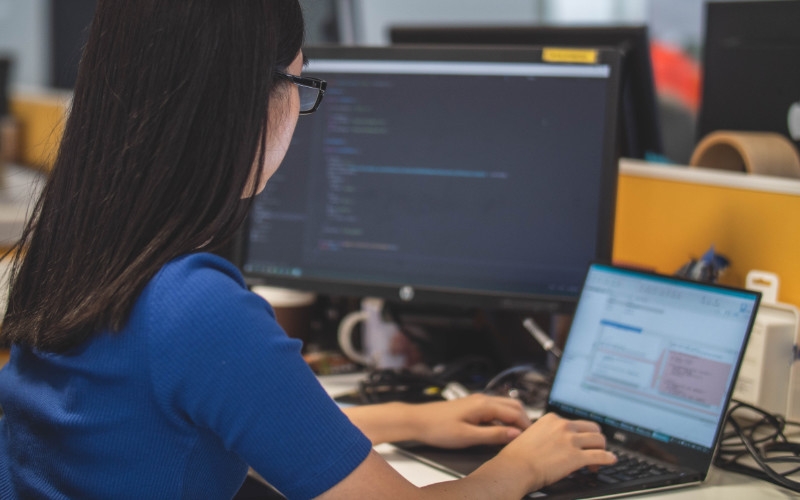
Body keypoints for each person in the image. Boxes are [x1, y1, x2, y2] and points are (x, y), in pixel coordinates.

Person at [0, 1, 616, 498]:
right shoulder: (197, 309)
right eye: (301, 83)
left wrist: (412, 420)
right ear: (246, 99)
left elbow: (222, 420)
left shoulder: (77, 254)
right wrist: (526, 465)